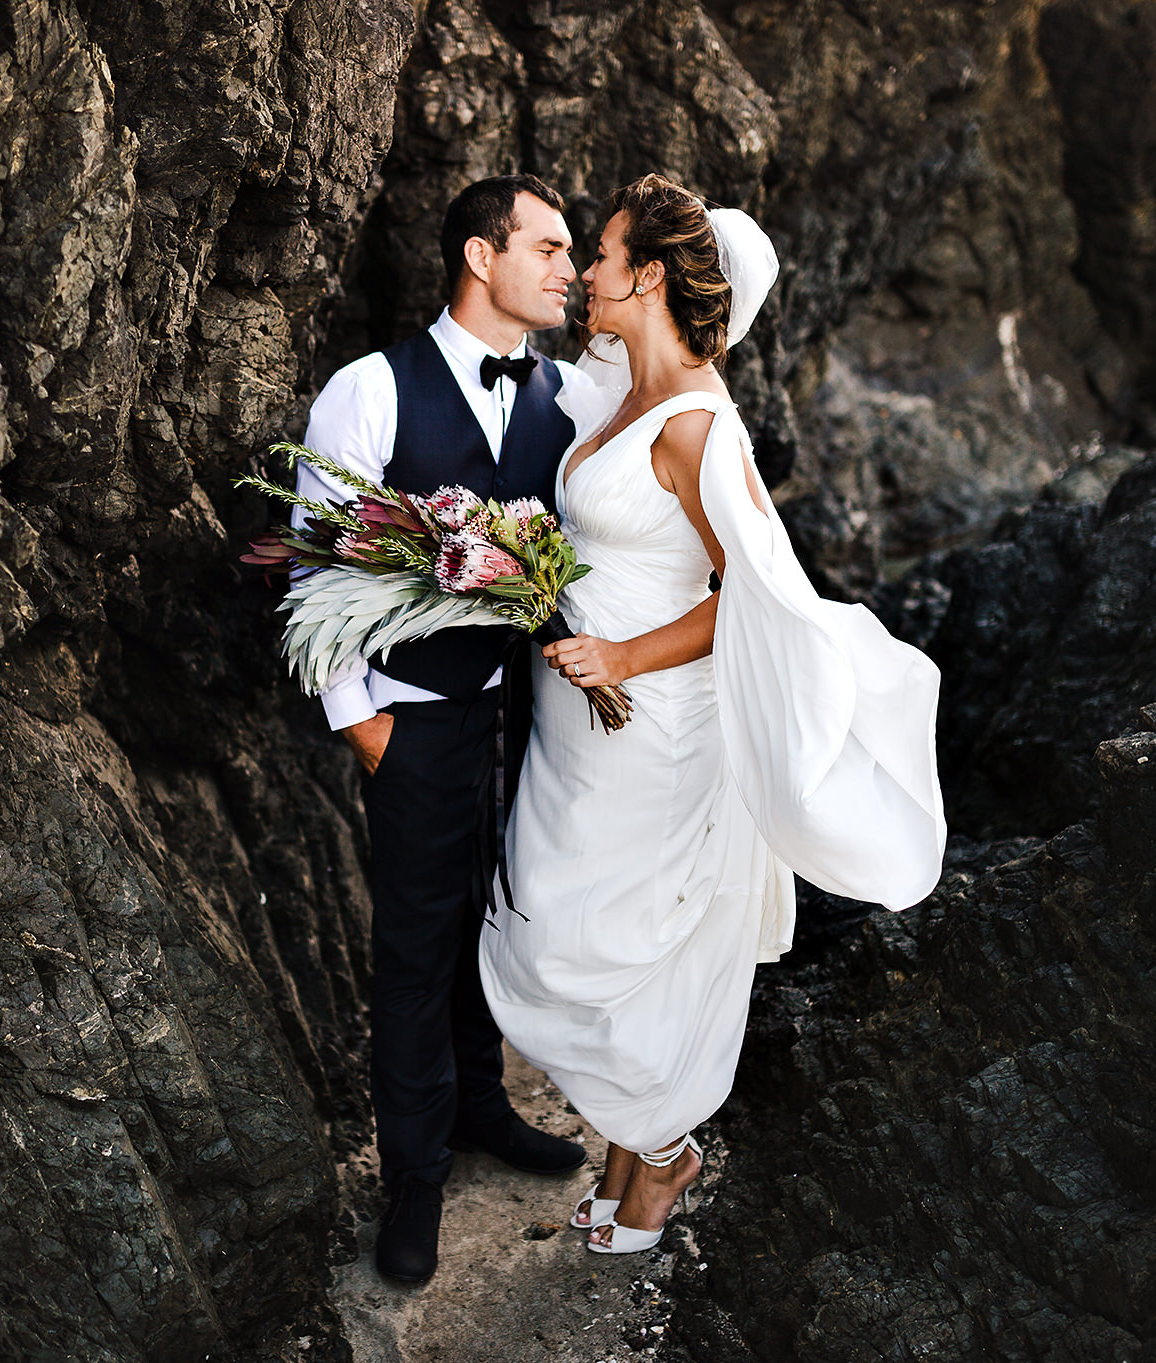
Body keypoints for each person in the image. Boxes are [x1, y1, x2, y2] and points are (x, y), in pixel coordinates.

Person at [479, 174, 947, 1253]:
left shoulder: (700, 427)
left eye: (597, 255)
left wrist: (622, 656)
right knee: (572, 927)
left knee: (599, 941)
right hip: (573, 728)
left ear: (644, 274)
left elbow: (751, 592)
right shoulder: (622, 388)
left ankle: (660, 1158)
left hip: (647, 728)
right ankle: (629, 1146)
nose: (583, 273)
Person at [298, 173, 589, 1284]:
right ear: (481, 256)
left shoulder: (565, 393)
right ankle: (413, 1173)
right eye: (549, 246)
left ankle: (481, 1109)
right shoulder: (367, 391)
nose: (567, 269)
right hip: (414, 722)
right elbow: (314, 565)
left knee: (497, 917)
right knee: (415, 947)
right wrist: (362, 725)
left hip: (532, 722)